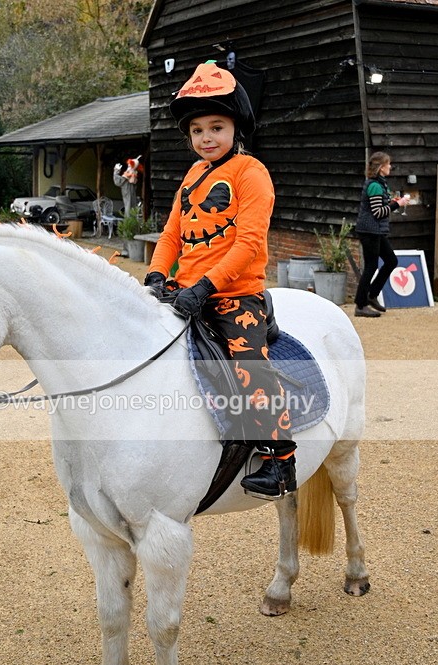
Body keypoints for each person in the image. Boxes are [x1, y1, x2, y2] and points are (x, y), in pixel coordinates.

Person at [143, 61, 296, 500]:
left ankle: (280, 460)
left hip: (233, 295)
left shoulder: (252, 173)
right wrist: (157, 273)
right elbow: (172, 232)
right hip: (185, 291)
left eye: (216, 127)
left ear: (235, 128)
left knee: (250, 366)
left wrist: (205, 288)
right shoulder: (191, 176)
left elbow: (247, 244)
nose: (206, 138)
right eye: (197, 130)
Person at [354, 151, 409, 317]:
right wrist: (398, 204)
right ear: (380, 167)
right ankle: (360, 304)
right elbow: (378, 212)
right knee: (371, 266)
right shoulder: (374, 185)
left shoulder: (379, 183)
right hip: (369, 230)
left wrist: (392, 202)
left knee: (391, 260)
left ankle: (371, 294)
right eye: (387, 164)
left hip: (376, 231)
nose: (390, 167)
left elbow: (379, 206)